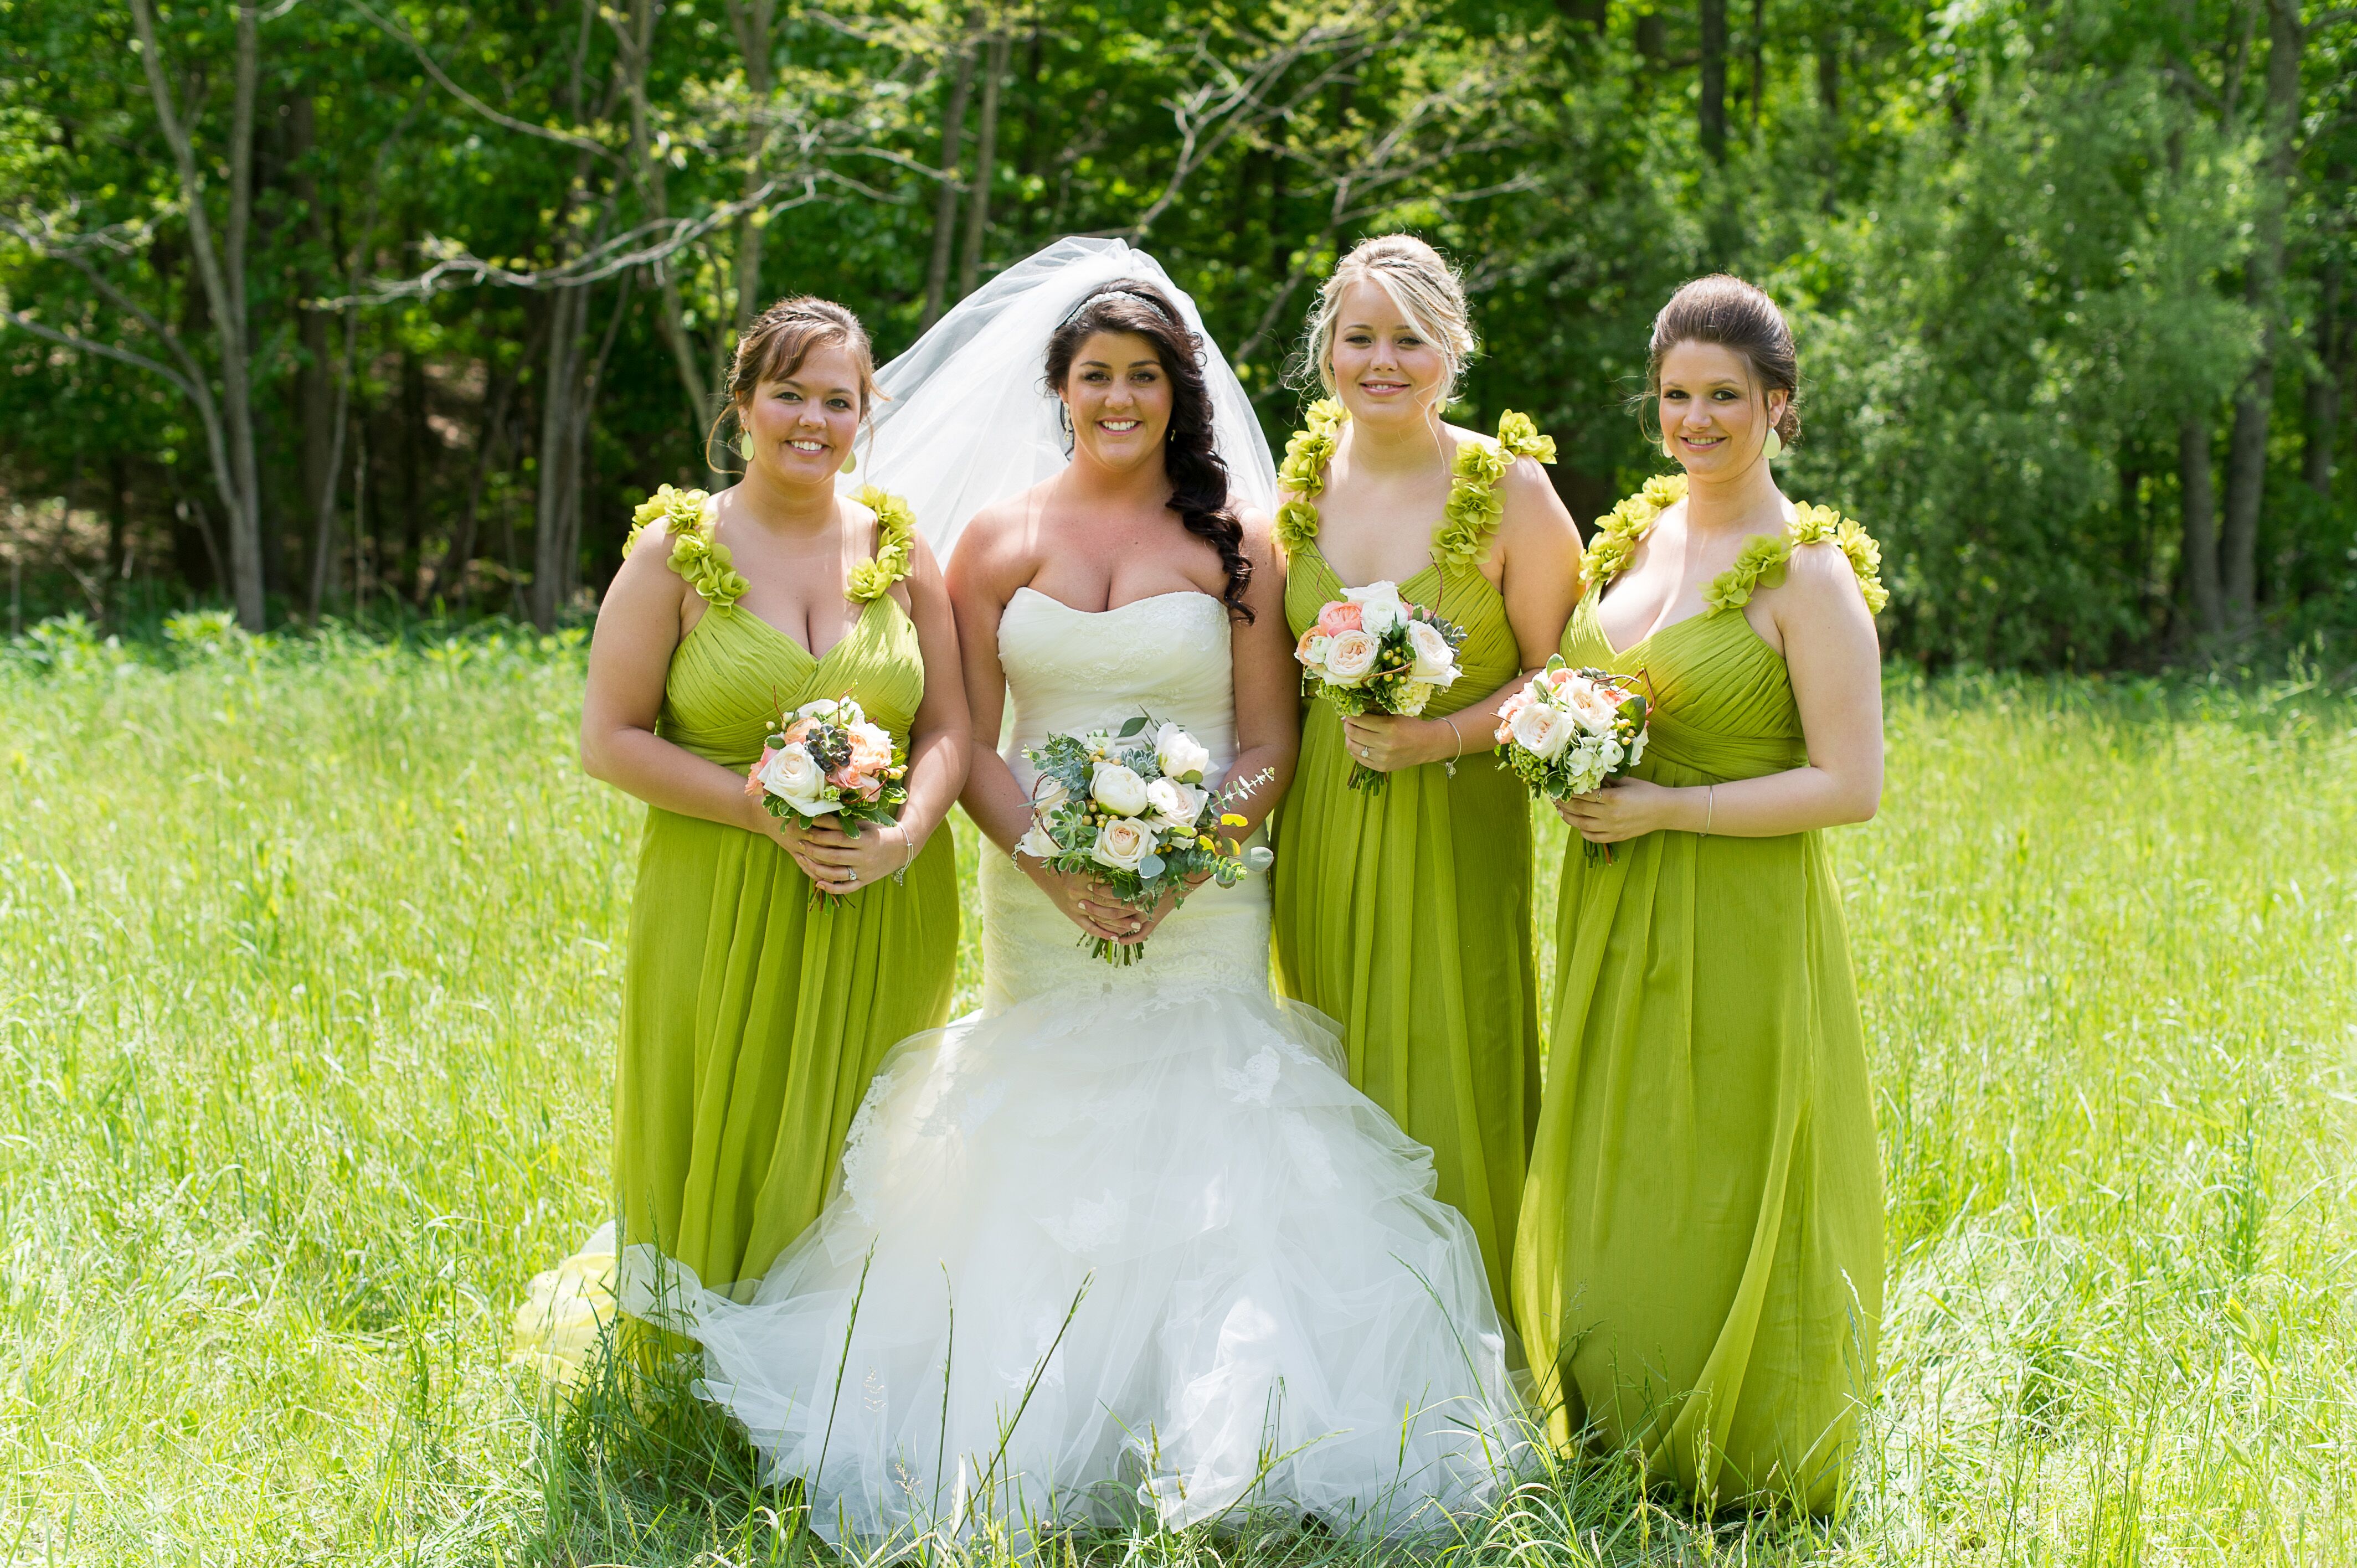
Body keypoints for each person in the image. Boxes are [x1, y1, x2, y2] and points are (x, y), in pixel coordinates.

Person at [621, 240, 1520, 1545]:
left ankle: (1238, 1433)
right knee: (1033, 1140)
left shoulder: (1240, 546)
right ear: (1059, 388)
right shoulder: (994, 540)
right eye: (1094, 374)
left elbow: (1270, 742)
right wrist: (1053, 863)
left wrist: (1183, 858)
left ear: (1180, 391)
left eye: (1143, 376)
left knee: (1219, 1136)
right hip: (1034, 897)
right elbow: (966, 738)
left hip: (1203, 904)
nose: (1118, 397)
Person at [1514, 274, 1886, 1512]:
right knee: (1626, 1161)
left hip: (1737, 905)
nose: (1696, 419)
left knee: (1725, 1159)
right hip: (1616, 898)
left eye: (1724, 396)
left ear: (1779, 407)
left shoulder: (1807, 574)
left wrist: (1675, 808)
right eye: (1676, 396)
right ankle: (1621, 1429)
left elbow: (1851, 784)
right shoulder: (1632, 538)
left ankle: (1746, 1452)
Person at [581, 297, 967, 1306]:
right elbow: (609, 739)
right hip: (719, 881)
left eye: (838, 400)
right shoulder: (677, 548)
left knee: (863, 1129)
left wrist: (904, 835)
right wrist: (758, 810)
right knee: (723, 1106)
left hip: (885, 891)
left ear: (864, 415)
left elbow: (952, 732)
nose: (813, 421)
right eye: (789, 394)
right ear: (742, 404)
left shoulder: (901, 549)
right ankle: (696, 1371)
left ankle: (842, 1371)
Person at [1268, 235, 1582, 1306]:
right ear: (1328, 352)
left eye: (1411, 337)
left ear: (1454, 349)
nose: (1383, 360)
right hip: (1322, 824)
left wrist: (1438, 737)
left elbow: (1563, 688)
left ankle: (1472, 1345)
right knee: (1331, 1059)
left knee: (1454, 1055)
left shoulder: (1512, 492)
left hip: (1456, 826)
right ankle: (1341, 1348)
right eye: (1361, 336)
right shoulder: (1300, 488)